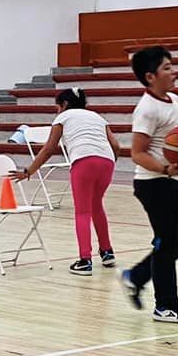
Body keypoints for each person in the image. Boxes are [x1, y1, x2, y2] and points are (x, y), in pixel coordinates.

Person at [118, 46, 178, 322]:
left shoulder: (174, 100)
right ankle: (166, 306)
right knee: (167, 243)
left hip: (175, 181)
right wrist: (164, 169)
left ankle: (135, 277)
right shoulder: (146, 110)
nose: (175, 72)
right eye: (168, 68)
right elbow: (137, 153)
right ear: (150, 76)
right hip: (154, 184)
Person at [17, 89, 117, 273]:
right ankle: (107, 252)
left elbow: (48, 149)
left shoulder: (62, 118)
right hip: (107, 162)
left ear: (63, 105)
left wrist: (29, 170)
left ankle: (85, 261)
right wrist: (109, 163)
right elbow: (116, 145)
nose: (56, 111)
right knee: (96, 206)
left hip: (83, 161)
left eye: (57, 107)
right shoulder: (97, 117)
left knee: (83, 212)